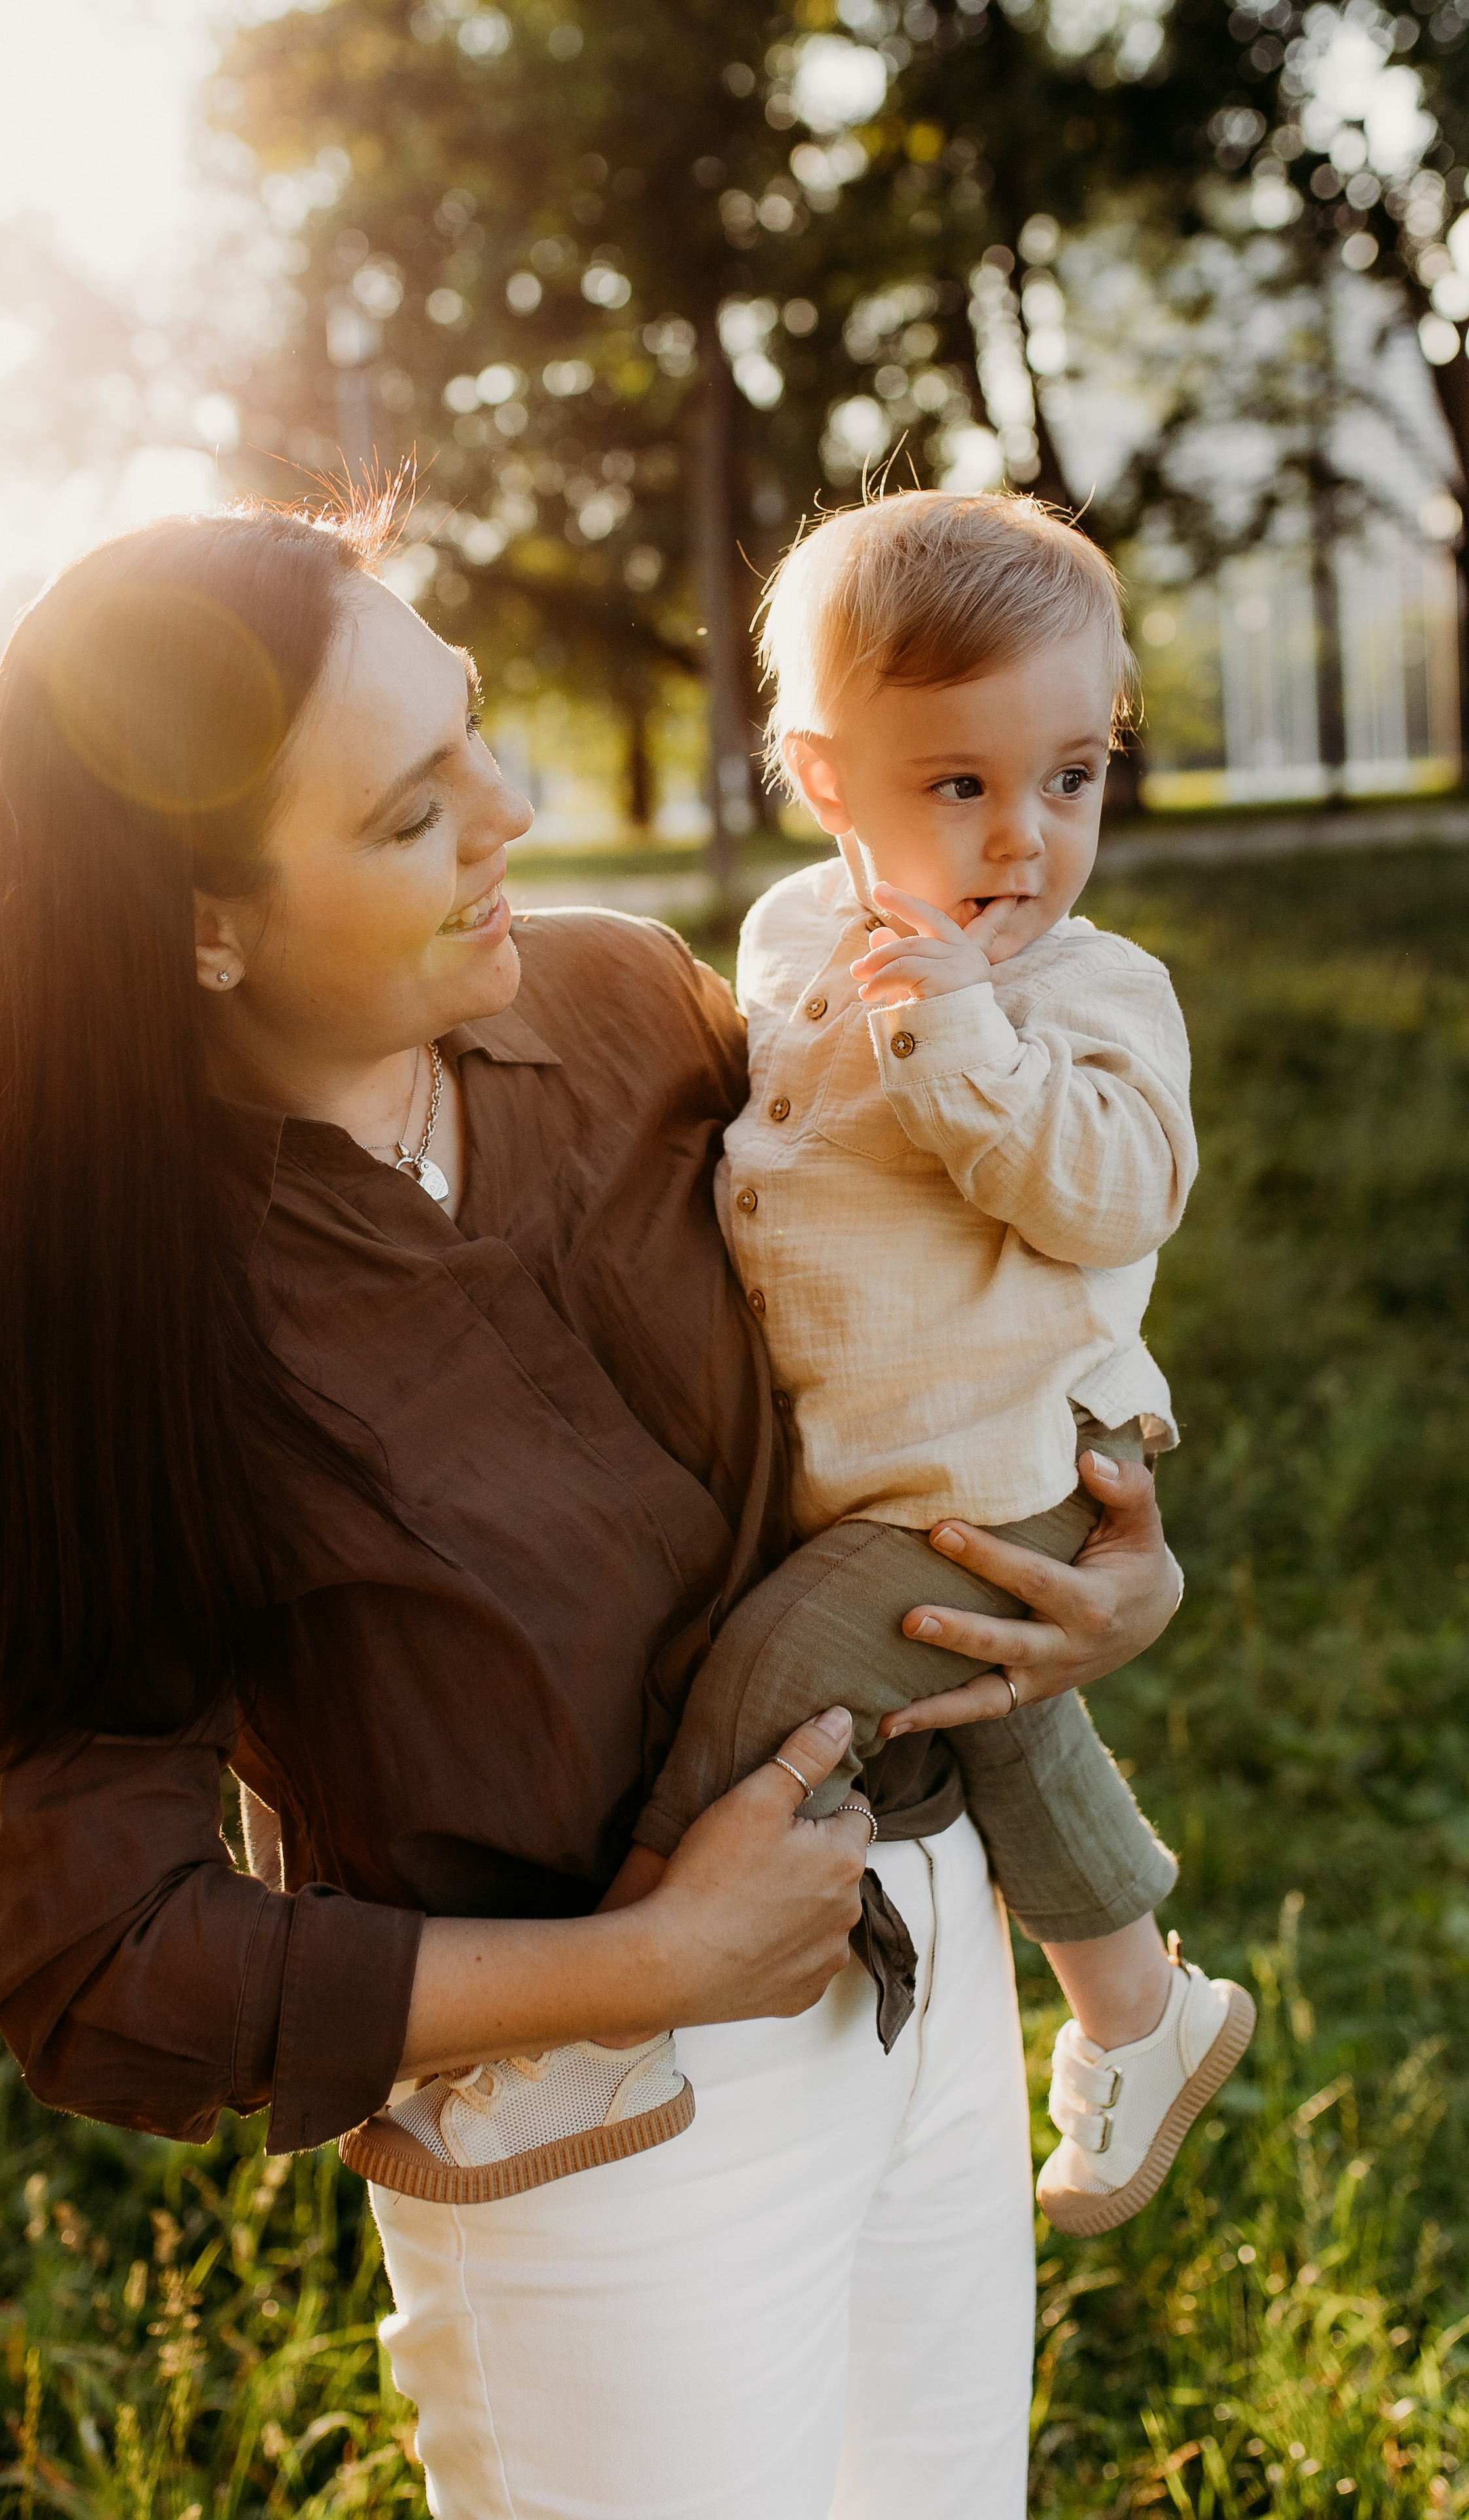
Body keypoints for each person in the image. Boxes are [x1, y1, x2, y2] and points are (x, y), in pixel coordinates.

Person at [0, 501, 1186, 2520]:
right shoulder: (99, 1339)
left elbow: (958, 1290)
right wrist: (650, 1959)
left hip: (933, 1959)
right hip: (597, 2132)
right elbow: (88, 1954)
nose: (507, 813)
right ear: (201, 924)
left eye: (476, 730)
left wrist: (1101, 1563)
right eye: (414, 813)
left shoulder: (627, 1007)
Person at [356, 493, 1252, 2242]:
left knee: (784, 1668)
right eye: (961, 785)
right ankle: (1147, 2011)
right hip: (879, 1457)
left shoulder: (1088, 988)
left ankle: (606, 2022)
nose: (1024, 840)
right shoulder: (781, 943)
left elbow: (1118, 1189)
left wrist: (953, 1028)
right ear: (830, 781)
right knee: (1000, 1714)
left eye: (1069, 777)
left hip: (1010, 1460)